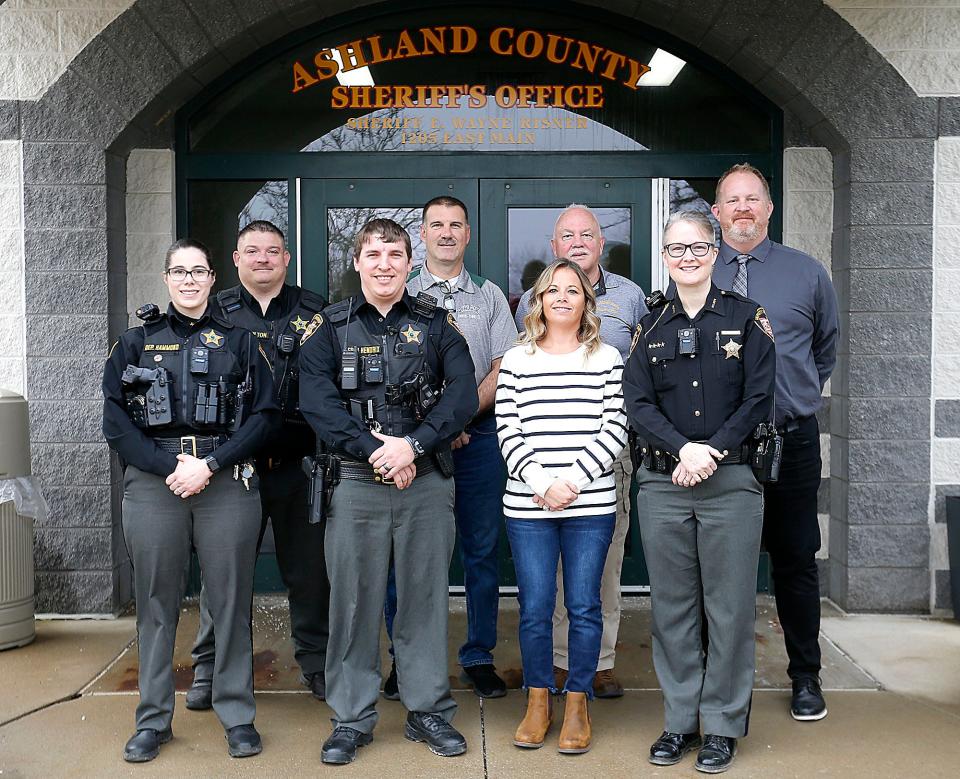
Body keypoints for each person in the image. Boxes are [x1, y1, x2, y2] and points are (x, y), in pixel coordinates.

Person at [299, 218, 478, 765]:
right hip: (354, 484)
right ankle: (352, 717)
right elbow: (316, 401)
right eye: (373, 254)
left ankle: (427, 711)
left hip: (424, 484)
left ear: (410, 261)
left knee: (424, 599)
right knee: (353, 603)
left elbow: (462, 393)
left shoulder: (437, 326)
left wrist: (414, 447)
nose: (384, 264)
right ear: (357, 263)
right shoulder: (327, 328)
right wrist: (375, 451)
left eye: (395, 254)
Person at [102, 239, 279, 762]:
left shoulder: (243, 342)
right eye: (179, 271)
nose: (189, 280)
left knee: (229, 604)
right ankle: (153, 720)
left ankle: (237, 715)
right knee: (156, 606)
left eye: (198, 271)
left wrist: (210, 464)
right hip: (156, 481)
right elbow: (115, 422)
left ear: (212, 278)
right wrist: (170, 467)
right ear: (166, 278)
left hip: (223, 480)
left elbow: (265, 416)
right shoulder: (134, 342)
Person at [624, 210, 775, 773]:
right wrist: (682, 448)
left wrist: (709, 449)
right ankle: (680, 721)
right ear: (664, 257)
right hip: (663, 485)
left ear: (714, 252)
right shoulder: (651, 325)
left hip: (730, 481)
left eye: (696, 248)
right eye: (675, 250)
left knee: (731, 609)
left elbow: (760, 396)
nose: (686, 258)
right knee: (672, 608)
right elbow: (635, 401)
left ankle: (721, 726)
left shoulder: (746, 316)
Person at [711, 163, 838, 721]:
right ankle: (716, 682)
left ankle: (805, 675)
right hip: (721, 447)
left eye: (752, 199)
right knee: (718, 566)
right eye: (731, 200)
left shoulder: (805, 273)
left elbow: (824, 350)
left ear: (768, 208)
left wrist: (791, 399)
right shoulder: (694, 270)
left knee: (794, 559)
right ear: (716, 213)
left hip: (790, 440)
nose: (742, 208)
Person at [186, 221, 330, 708]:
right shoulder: (214, 312)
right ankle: (211, 667)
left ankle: (318, 664)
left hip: (300, 465)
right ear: (236, 257)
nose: (263, 259)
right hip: (233, 469)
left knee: (309, 575)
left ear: (286, 259)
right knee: (224, 577)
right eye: (253, 251)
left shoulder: (317, 312)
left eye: (272, 251)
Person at [379, 196, 517, 700]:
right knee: (407, 556)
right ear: (421, 233)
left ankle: (478, 655)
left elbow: (503, 367)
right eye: (436, 224)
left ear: (468, 234)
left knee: (481, 550)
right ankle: (404, 657)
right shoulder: (400, 289)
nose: (446, 233)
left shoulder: (490, 296)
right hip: (411, 446)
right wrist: (433, 431)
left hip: (479, 438)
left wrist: (457, 418)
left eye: (455, 225)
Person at [515, 204, 647, 698]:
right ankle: (554, 662)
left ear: (600, 243)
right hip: (541, 461)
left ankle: (600, 661)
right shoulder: (531, 298)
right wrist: (542, 475)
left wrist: (580, 471)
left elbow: (638, 380)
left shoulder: (632, 298)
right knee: (546, 575)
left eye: (587, 234)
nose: (577, 242)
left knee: (604, 562)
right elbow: (520, 374)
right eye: (566, 235)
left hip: (606, 456)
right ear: (554, 247)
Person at [498, 259, 627, 754]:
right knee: (533, 608)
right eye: (552, 290)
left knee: (583, 606)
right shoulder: (516, 360)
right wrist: (540, 482)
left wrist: (570, 482)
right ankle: (538, 700)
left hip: (589, 504)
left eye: (573, 291)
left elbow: (614, 428)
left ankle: (577, 699)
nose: (562, 298)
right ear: (538, 301)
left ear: (585, 302)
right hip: (528, 506)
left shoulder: (607, 359)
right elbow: (508, 429)